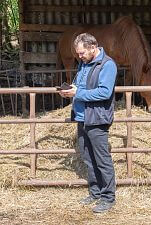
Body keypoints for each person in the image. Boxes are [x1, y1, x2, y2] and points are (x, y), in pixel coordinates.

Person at [59, 33, 117, 213]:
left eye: (82, 53)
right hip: (82, 116)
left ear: (93, 47)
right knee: (88, 158)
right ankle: (95, 192)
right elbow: (81, 86)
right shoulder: (84, 63)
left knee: (102, 159)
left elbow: (104, 93)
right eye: (78, 53)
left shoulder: (107, 65)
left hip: (97, 118)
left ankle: (108, 198)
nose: (79, 56)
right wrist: (69, 91)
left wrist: (78, 94)